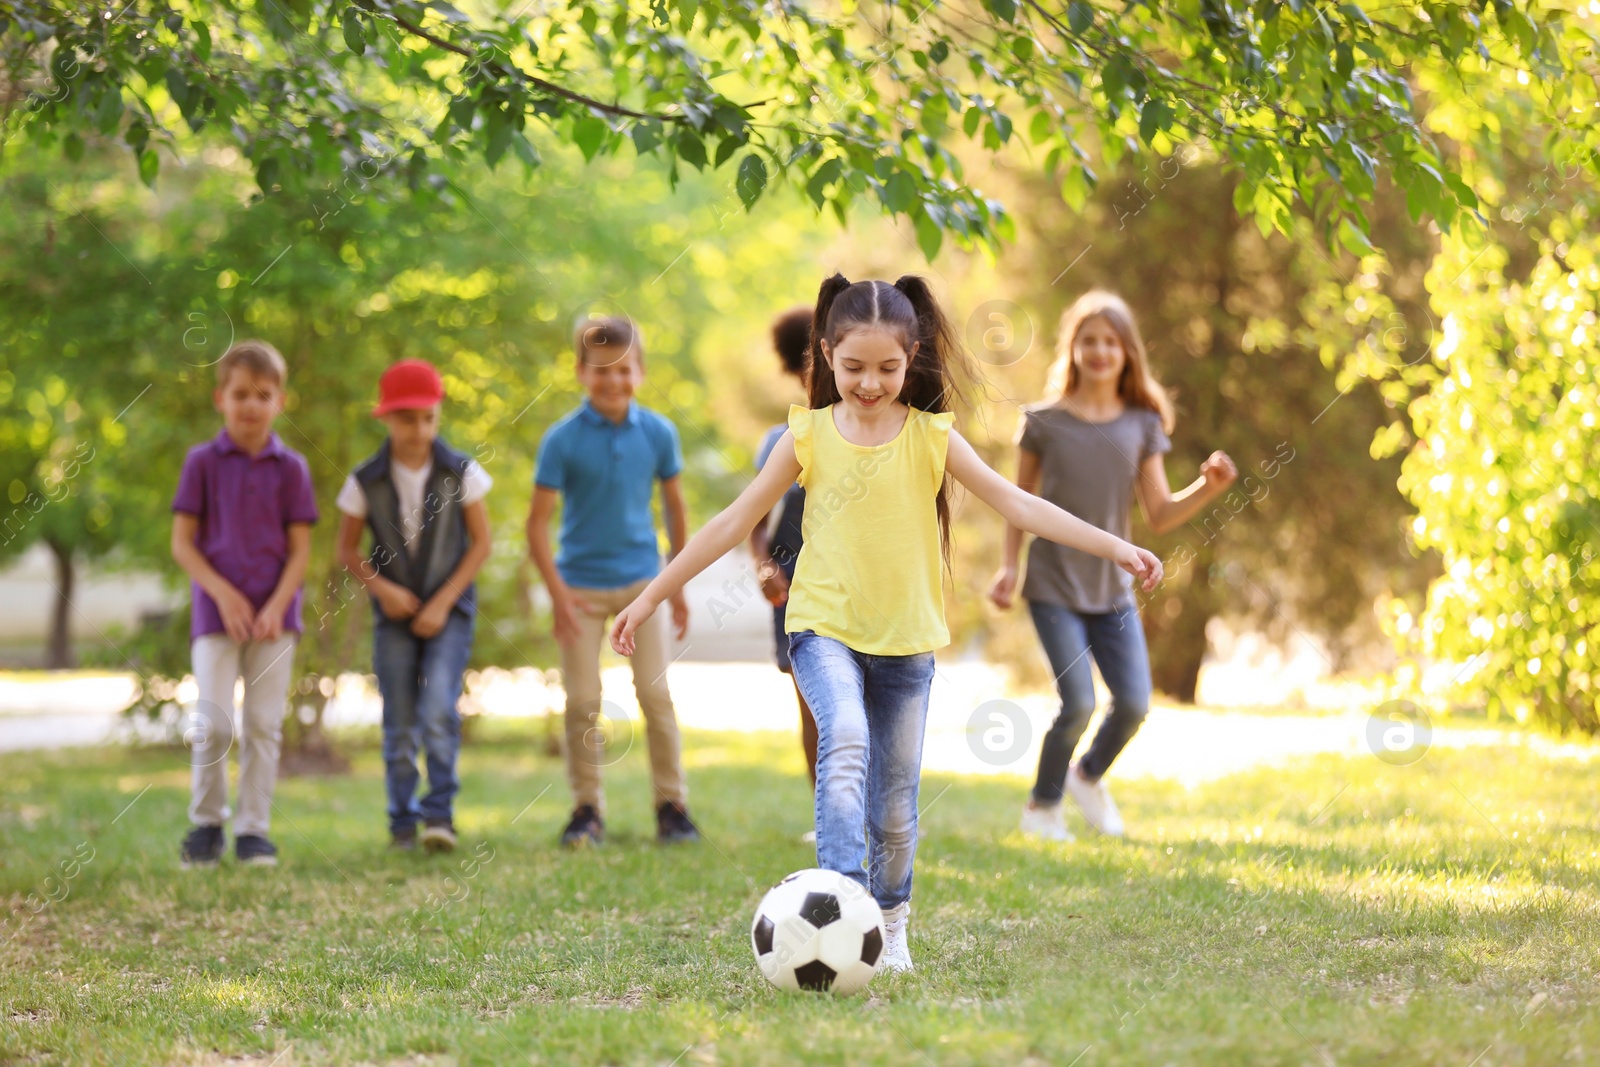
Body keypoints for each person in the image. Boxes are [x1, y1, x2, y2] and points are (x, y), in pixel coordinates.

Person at [607, 274, 1163, 971]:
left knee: (895, 810)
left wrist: (1117, 545)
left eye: (888, 368)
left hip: (905, 642)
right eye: (853, 368)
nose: (870, 383)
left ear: (913, 357)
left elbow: (1019, 505)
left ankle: (889, 922)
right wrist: (652, 593)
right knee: (841, 738)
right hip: (822, 626)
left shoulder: (931, 436)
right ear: (826, 354)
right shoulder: (805, 434)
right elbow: (732, 521)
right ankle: (843, 898)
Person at [988, 290, 1237, 842]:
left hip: (1112, 590)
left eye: (1111, 341)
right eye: (1089, 340)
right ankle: (1042, 807)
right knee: (1077, 701)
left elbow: (1161, 512)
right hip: (1053, 583)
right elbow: (1016, 503)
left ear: (1128, 353)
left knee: (1133, 704)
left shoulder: (1141, 423)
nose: (1100, 351)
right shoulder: (1044, 422)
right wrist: (1009, 568)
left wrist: (1208, 487)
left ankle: (1088, 776)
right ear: (1072, 348)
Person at [526, 316, 700, 848]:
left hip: (642, 585)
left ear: (640, 372)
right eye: (601, 371)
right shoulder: (562, 439)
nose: (613, 381)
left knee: (655, 696)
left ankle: (671, 807)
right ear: (580, 372)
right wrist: (558, 596)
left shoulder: (658, 433)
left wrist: (675, 586)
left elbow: (674, 508)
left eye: (624, 370)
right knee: (582, 702)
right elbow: (536, 525)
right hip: (579, 588)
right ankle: (586, 810)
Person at [171, 340, 319, 868]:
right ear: (221, 398)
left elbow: (300, 550)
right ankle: (207, 824)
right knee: (213, 722)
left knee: (262, 724)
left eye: (263, 394)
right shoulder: (202, 463)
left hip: (275, 619)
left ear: (280, 401)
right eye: (240, 394)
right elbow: (182, 544)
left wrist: (277, 603)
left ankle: (254, 830)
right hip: (216, 615)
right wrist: (225, 594)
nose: (251, 405)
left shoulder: (291, 468)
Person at [335, 359, 493, 853]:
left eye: (428, 418)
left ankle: (439, 816)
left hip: (450, 614)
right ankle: (401, 821)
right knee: (399, 719)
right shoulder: (365, 481)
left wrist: (443, 602)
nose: (419, 429)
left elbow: (482, 543)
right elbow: (347, 551)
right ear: (385, 418)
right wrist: (384, 590)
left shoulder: (461, 471)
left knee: (438, 710)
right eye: (407, 419)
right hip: (394, 617)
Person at [746, 307, 818, 835]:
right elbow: (751, 519)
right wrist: (763, 566)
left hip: (859, 588)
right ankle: (827, 812)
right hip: (795, 591)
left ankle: (878, 812)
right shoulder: (779, 440)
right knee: (812, 705)